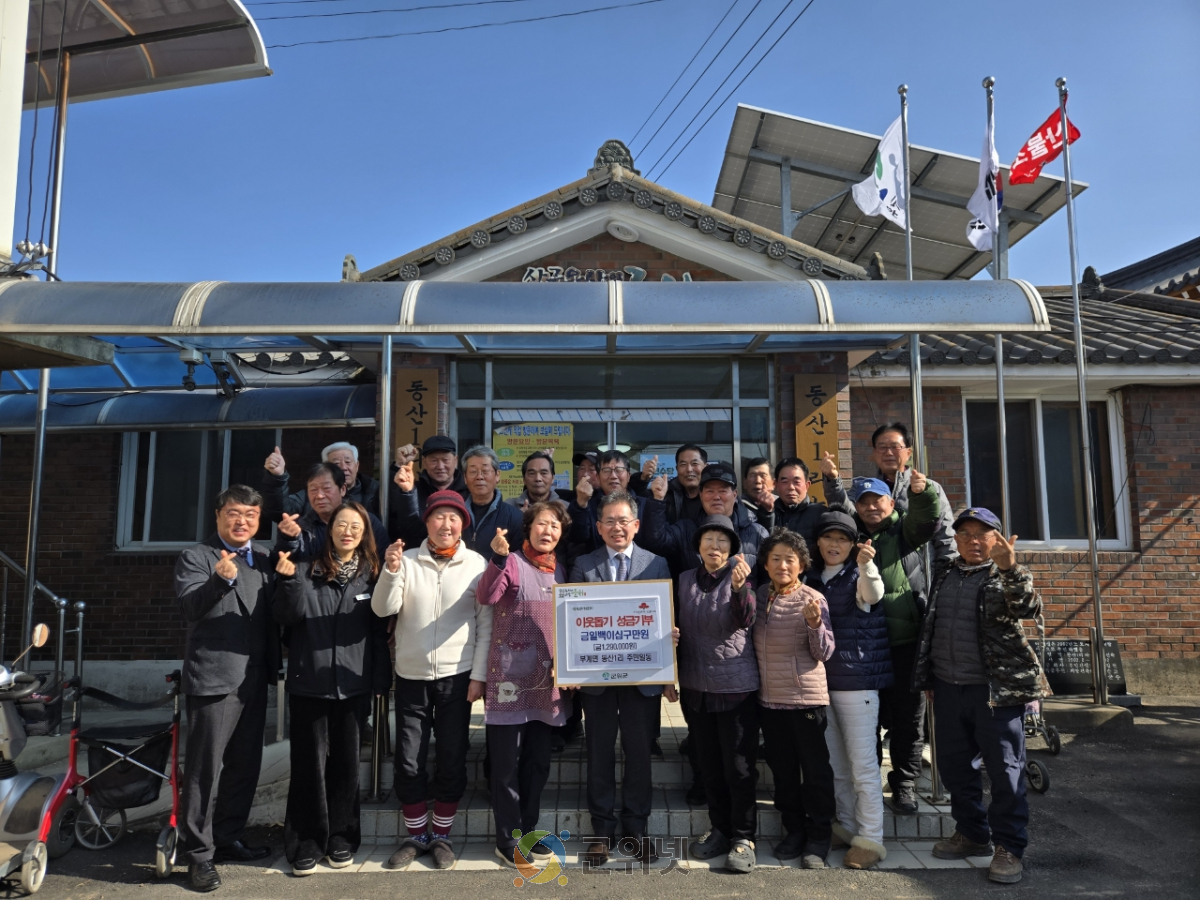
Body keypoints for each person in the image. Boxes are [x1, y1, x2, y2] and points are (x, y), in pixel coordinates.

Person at [913, 508, 1049, 885]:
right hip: (947, 686)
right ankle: (972, 833)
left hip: (996, 691)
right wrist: (927, 675)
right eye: (966, 534)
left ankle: (1009, 847)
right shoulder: (945, 572)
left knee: (1005, 771)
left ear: (998, 539)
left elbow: (1028, 608)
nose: (974, 540)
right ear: (955, 539)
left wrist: (1010, 569)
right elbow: (932, 625)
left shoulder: (1006, 574)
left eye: (983, 534)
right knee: (956, 767)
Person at [371, 490, 491, 870]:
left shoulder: (476, 564)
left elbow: (486, 625)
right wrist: (389, 572)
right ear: (427, 522)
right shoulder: (405, 561)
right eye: (439, 517)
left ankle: (441, 835)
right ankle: (416, 834)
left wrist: (479, 676)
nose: (446, 524)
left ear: (463, 526)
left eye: (454, 518)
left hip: (458, 677)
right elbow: (382, 608)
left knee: (452, 757)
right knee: (409, 760)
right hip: (411, 675)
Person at [272, 501, 390, 876]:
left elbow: (377, 633)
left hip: (354, 685)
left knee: (346, 765)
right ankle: (306, 841)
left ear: (364, 533)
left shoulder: (371, 575)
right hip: (310, 683)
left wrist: (379, 680)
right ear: (329, 529)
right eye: (341, 524)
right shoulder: (306, 570)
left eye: (356, 526)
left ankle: (342, 836)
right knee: (308, 766)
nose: (348, 531)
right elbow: (287, 619)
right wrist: (288, 580)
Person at [174, 486, 279, 893]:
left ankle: (229, 836)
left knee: (244, 764)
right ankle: (197, 855)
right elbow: (189, 608)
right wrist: (219, 581)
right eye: (234, 514)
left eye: (251, 515)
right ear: (218, 515)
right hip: (213, 680)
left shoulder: (265, 559)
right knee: (203, 771)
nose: (242, 522)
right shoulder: (196, 557)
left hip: (254, 677)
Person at [568, 490, 673, 866]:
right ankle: (601, 832)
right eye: (609, 521)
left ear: (637, 525)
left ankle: (636, 831)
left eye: (623, 520)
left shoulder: (657, 564)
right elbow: (573, 622)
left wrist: (668, 647)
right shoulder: (583, 564)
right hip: (596, 678)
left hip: (642, 677)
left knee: (639, 754)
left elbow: (662, 618)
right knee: (598, 753)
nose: (617, 527)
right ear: (598, 527)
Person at [476, 501, 574, 867]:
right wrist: (497, 560)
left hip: (548, 683)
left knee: (537, 764)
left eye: (555, 526)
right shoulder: (512, 562)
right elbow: (487, 595)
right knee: (505, 766)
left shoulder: (560, 570)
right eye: (541, 524)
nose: (547, 531)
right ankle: (508, 840)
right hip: (510, 681)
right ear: (528, 527)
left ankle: (528, 833)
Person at [804, 512, 891, 870]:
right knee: (836, 763)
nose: (834, 545)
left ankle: (871, 837)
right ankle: (848, 826)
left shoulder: (859, 574)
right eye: (828, 538)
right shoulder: (811, 579)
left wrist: (868, 567)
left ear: (853, 544)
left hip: (857, 684)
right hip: (822, 685)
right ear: (819, 543)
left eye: (842, 539)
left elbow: (873, 595)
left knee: (863, 765)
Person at [849, 473, 940, 816]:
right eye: (864, 501)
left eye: (877, 500)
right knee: (867, 720)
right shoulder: (851, 536)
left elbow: (927, 520)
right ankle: (869, 783)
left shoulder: (906, 531)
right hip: (865, 644)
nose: (871, 506)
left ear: (890, 502)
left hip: (905, 642)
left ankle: (904, 784)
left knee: (908, 720)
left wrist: (923, 493)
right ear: (856, 507)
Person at [677, 516, 760, 874]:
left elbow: (746, 619)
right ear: (698, 547)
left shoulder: (742, 578)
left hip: (735, 689)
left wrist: (741, 589)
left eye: (722, 542)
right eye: (708, 540)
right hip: (696, 686)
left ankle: (744, 837)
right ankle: (720, 830)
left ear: (732, 550)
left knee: (739, 767)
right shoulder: (683, 580)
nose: (715, 547)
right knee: (709, 765)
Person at [752, 528, 836, 870]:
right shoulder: (758, 595)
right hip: (769, 702)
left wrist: (816, 624)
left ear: (802, 564)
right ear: (766, 564)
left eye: (790, 559)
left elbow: (825, 652)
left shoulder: (812, 598)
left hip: (805, 702)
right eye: (775, 558)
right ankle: (794, 831)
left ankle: (819, 837)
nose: (782, 565)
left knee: (815, 773)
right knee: (783, 773)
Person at [642, 463, 769, 574]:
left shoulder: (757, 533)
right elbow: (656, 542)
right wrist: (657, 500)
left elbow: (767, 579)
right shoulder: (686, 529)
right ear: (701, 495)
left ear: (734, 494)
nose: (716, 497)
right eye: (710, 491)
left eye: (723, 491)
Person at [869, 423, 955, 562]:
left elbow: (946, 537)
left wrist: (945, 576)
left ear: (908, 453)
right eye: (882, 447)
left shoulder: (930, 488)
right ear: (874, 452)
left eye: (895, 447)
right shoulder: (866, 490)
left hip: (920, 575)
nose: (888, 453)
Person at [275, 463, 390, 562]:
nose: (319, 496)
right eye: (313, 490)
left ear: (343, 489)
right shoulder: (300, 528)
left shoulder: (367, 521)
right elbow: (287, 566)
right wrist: (288, 540)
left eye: (326, 488)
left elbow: (382, 560)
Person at [262, 442, 380, 519]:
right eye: (336, 463)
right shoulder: (312, 495)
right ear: (325, 468)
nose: (344, 467)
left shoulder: (375, 492)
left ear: (357, 465)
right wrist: (277, 477)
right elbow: (280, 512)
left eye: (348, 462)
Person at [566, 450, 647, 561]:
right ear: (598, 478)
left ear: (628, 476)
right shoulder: (587, 506)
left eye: (619, 470)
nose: (613, 476)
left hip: (640, 573)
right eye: (606, 471)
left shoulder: (645, 505)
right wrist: (581, 505)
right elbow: (577, 538)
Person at [388, 435, 467, 548]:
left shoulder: (469, 492)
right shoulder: (411, 491)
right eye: (434, 460)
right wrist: (399, 466)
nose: (440, 466)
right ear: (424, 462)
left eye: (445, 460)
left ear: (455, 460)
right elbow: (390, 509)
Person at [756, 455, 852, 546]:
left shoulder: (820, 514)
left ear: (807, 485)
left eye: (796, 482)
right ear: (776, 485)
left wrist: (833, 480)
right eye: (784, 481)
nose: (791, 487)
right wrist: (766, 514)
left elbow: (847, 520)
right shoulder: (766, 513)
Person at [457, 445, 524, 562]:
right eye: (473, 472)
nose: (479, 477)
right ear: (465, 478)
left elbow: (520, 563)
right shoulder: (456, 515)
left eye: (485, 471)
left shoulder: (515, 517)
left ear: (497, 475)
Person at [637, 444, 708, 524]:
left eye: (694, 464)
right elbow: (638, 501)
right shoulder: (665, 493)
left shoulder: (715, 494)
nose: (689, 469)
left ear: (706, 467)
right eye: (683, 464)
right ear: (677, 469)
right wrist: (643, 479)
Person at [508, 450, 573, 509]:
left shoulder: (566, 508)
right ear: (524, 479)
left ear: (553, 478)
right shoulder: (509, 507)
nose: (538, 479)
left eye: (544, 473)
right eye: (532, 473)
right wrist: (517, 518)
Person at [739, 457, 774, 524]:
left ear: (773, 483)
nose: (757, 481)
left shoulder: (782, 507)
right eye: (752, 475)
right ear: (744, 483)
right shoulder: (735, 508)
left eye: (763, 475)